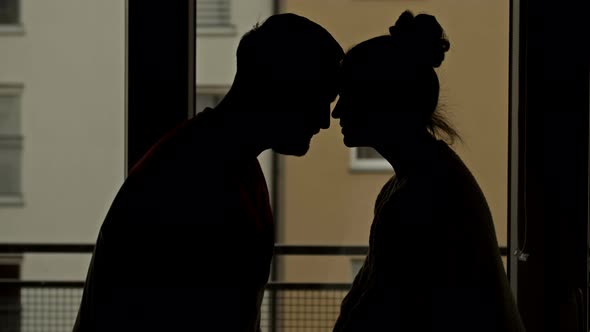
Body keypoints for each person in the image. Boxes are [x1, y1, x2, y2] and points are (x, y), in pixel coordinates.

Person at [73, 13, 343, 332]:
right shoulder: (203, 181)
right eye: (319, 99)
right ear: (283, 88)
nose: (325, 121)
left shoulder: (205, 160)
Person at [331, 11, 525, 332]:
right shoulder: (426, 179)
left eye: (350, 96)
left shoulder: (419, 194)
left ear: (384, 101)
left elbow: (376, 313)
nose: (337, 111)